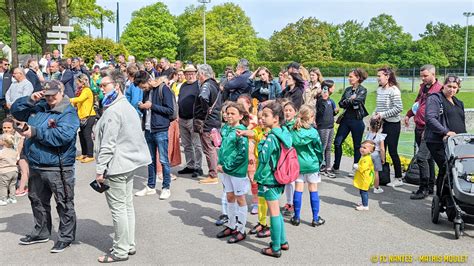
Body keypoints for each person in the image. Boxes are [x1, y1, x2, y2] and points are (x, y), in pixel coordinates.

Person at [11, 80, 79, 253]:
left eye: (53, 94)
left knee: (64, 203)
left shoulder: (68, 111)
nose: (49, 98)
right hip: (36, 164)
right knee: (37, 200)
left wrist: (35, 132)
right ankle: (41, 232)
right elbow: (16, 111)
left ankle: (65, 237)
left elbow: (62, 136)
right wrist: (29, 100)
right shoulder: (39, 105)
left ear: (62, 92)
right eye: (46, 94)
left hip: (58, 166)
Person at [94, 70, 151, 263]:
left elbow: (108, 144)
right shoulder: (124, 106)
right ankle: (128, 244)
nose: (101, 89)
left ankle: (120, 250)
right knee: (126, 206)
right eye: (100, 86)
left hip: (117, 165)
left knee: (119, 208)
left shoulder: (114, 110)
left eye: (104, 85)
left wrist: (100, 169)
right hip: (128, 163)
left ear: (116, 86)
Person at [256, 102, 291, 258]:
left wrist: (261, 142)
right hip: (279, 176)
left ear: (276, 118)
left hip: (269, 177)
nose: (262, 119)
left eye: (266, 116)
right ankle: (282, 241)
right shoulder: (283, 131)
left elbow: (263, 157)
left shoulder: (271, 137)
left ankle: (275, 247)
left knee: (274, 213)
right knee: (276, 210)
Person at [134, 71, 174, 200]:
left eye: (143, 86)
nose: (143, 89)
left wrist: (152, 106)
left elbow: (170, 110)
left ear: (148, 81)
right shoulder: (147, 92)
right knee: (150, 160)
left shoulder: (163, 89)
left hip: (161, 129)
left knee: (163, 160)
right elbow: (147, 108)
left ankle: (166, 187)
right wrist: (142, 106)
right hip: (148, 128)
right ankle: (150, 186)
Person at [425, 75, 466, 198]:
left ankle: (455, 195)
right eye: (449, 86)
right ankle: (442, 197)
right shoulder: (435, 99)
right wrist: (445, 132)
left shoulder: (459, 102)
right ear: (444, 85)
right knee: (447, 166)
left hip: (457, 142)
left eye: (455, 87)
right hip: (438, 141)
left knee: (458, 169)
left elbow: (460, 122)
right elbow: (430, 118)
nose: (451, 89)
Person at [216, 102, 249, 244]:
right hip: (225, 169)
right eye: (227, 113)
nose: (228, 115)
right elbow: (224, 148)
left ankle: (241, 229)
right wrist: (220, 162)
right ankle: (231, 224)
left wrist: (227, 167)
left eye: (232, 113)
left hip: (236, 171)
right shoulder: (226, 129)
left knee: (240, 198)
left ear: (241, 116)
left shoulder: (241, 131)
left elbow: (242, 155)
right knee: (229, 196)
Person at [406, 64, 441, 199]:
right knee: (429, 159)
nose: (423, 78)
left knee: (421, 158)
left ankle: (423, 188)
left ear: (433, 74)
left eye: (425, 76)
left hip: (429, 129)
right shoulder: (422, 87)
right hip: (418, 126)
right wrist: (409, 114)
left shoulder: (439, 89)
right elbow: (417, 102)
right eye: (421, 76)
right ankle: (430, 187)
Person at [288, 105, 325, 227]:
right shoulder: (313, 132)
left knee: (298, 189)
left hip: (298, 164)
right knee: (313, 189)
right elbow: (318, 149)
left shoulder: (293, 131)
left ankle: (297, 217)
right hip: (312, 163)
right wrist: (320, 162)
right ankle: (315, 218)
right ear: (311, 117)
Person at [333, 68, 368, 176]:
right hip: (346, 120)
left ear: (358, 78)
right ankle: (336, 166)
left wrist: (349, 100)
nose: (349, 78)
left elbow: (358, 100)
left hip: (357, 121)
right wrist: (350, 99)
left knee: (357, 145)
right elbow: (341, 103)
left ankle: (355, 167)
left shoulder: (363, 90)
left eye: (351, 76)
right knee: (337, 142)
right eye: (349, 76)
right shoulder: (348, 90)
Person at [373, 67, 403, 187]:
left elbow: (398, 108)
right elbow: (379, 106)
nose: (378, 78)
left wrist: (382, 115)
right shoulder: (379, 90)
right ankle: (382, 177)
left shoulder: (394, 90)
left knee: (392, 151)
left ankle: (398, 177)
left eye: (379, 76)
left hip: (393, 124)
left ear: (387, 76)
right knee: (380, 150)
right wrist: (375, 113)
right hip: (381, 124)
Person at [194, 64, 222, 185]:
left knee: (208, 148)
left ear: (202, 74)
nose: (197, 76)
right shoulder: (215, 84)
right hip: (215, 119)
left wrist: (205, 109)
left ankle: (213, 175)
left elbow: (203, 97)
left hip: (207, 121)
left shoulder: (206, 85)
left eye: (198, 74)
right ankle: (213, 172)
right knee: (212, 147)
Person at [177, 65, 203, 177]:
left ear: (196, 73)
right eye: (187, 73)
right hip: (182, 118)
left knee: (197, 144)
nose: (190, 75)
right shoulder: (183, 85)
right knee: (186, 144)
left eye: (192, 73)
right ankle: (190, 165)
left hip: (193, 118)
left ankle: (198, 167)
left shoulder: (198, 85)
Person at [70, 74, 96, 163]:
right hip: (82, 116)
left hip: (89, 116)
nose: (76, 84)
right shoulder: (81, 91)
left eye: (78, 83)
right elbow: (78, 102)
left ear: (83, 82)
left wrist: (69, 100)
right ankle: (84, 153)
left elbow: (80, 99)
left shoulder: (87, 90)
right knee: (81, 135)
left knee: (87, 136)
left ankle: (90, 155)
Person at [316, 80, 338, 178]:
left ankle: (328, 167)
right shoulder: (321, 101)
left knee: (328, 148)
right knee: (322, 147)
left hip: (330, 126)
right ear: (327, 88)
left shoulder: (331, 100)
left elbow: (332, 112)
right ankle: (319, 167)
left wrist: (336, 111)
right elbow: (320, 113)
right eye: (333, 87)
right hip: (323, 127)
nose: (334, 88)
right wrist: (324, 100)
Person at [281, 101, 297, 217]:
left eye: (290, 110)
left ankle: (293, 204)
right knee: (287, 181)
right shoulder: (282, 125)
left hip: (292, 156)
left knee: (292, 181)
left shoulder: (296, 125)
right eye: (285, 110)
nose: (287, 112)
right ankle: (288, 202)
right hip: (284, 156)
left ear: (295, 112)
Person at [365, 118, 386, 194]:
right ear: (380, 127)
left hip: (368, 154)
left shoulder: (368, 135)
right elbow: (382, 149)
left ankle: (366, 185)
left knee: (367, 170)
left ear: (370, 126)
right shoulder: (380, 137)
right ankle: (376, 187)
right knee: (376, 172)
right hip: (376, 154)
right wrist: (383, 158)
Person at [353, 140, 375, 211]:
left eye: (364, 148)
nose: (362, 149)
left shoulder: (366, 159)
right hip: (363, 178)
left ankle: (365, 205)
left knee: (363, 192)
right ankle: (363, 203)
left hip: (365, 179)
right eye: (361, 147)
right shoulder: (365, 157)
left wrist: (356, 166)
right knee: (362, 191)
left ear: (370, 151)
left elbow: (363, 168)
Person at [0, 134, 19, 206]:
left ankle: (3, 199)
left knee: (3, 186)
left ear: (4, 142)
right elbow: (17, 159)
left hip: (4, 171)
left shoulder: (1, 152)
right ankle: (12, 198)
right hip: (14, 171)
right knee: (12, 185)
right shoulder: (14, 151)